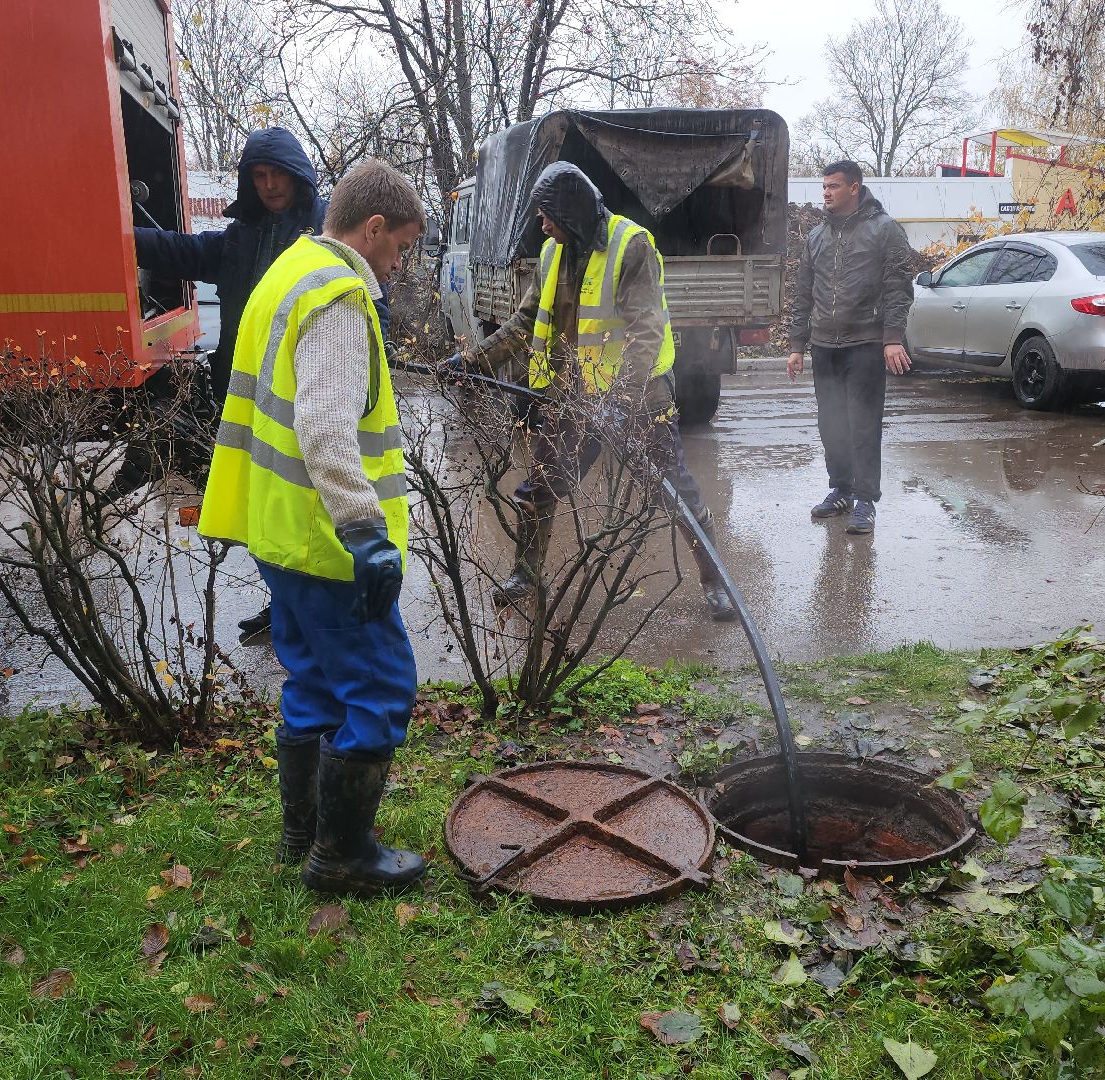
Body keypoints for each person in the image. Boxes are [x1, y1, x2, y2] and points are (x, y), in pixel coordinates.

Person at [195, 159, 428, 896]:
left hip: (280, 535)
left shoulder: (288, 270)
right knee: (381, 688)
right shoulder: (337, 294)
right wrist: (365, 531)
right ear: (375, 228)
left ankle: (302, 834)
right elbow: (326, 426)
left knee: (315, 686)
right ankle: (342, 856)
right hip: (329, 546)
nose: (396, 267)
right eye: (399, 249)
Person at [459, 163, 738, 623]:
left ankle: (715, 582)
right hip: (572, 397)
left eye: (548, 213)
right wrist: (473, 362)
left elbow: (646, 333)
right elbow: (526, 320)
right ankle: (525, 575)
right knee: (540, 488)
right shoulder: (552, 253)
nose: (542, 224)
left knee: (674, 492)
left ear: (572, 210)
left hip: (639, 396)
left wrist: (618, 402)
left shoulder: (632, 246)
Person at [129, 128, 326, 645]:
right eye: (258, 176)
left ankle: (306, 610)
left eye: (276, 173)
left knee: (301, 509)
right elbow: (185, 251)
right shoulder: (243, 238)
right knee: (262, 509)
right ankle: (284, 605)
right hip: (244, 397)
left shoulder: (324, 235)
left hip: (301, 397)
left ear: (295, 173)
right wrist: (123, 239)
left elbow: (368, 298)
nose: (268, 185)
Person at [786, 160, 918, 536]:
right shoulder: (816, 237)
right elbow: (803, 294)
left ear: (855, 187)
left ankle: (865, 501)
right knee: (831, 426)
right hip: (825, 345)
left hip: (865, 342)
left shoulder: (884, 230)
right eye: (824, 186)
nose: (826, 192)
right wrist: (798, 344)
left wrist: (892, 338)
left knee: (863, 424)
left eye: (834, 186)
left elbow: (898, 286)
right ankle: (840, 490)